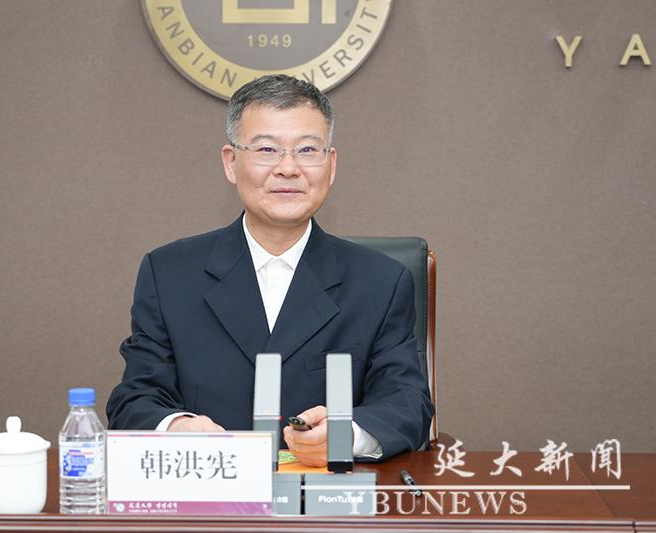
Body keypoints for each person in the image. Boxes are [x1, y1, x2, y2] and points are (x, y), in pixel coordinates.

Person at [106, 74, 433, 465]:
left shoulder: (381, 282)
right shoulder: (169, 274)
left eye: (307, 150)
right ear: (231, 162)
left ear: (330, 165)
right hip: (210, 491)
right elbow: (135, 399)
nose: (288, 168)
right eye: (266, 149)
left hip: (324, 495)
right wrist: (177, 428)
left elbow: (406, 402)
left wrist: (346, 435)